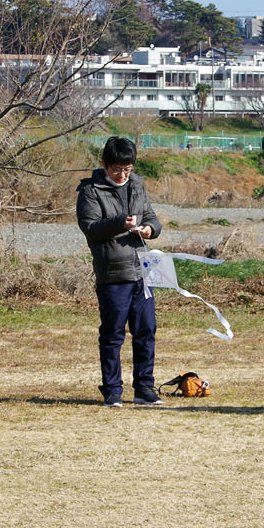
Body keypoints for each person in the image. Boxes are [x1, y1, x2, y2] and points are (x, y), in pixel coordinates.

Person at [77, 136, 163, 407]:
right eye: (117, 169)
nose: (123, 174)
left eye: (128, 169)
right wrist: (120, 224)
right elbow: (91, 228)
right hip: (112, 274)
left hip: (143, 272)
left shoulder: (137, 186)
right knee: (113, 334)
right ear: (104, 164)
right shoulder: (90, 191)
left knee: (146, 330)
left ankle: (144, 387)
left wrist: (151, 229)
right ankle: (113, 390)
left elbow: (151, 217)